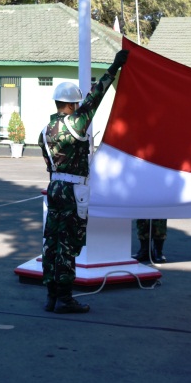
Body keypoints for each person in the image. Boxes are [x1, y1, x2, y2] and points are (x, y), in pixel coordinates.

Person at [38, 48, 129, 314]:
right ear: (72, 104)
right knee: (68, 243)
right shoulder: (76, 123)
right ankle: (65, 297)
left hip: (54, 187)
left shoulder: (44, 131)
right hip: (73, 190)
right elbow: (96, 98)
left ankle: (52, 295)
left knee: (52, 241)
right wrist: (114, 68)